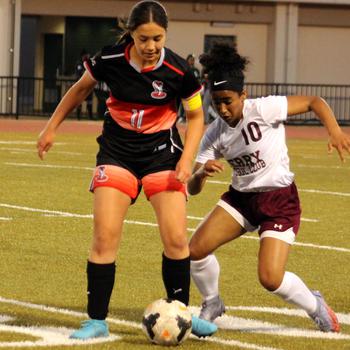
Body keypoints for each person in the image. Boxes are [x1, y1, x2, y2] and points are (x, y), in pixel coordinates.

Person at [37, 0, 217, 340]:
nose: (150, 47)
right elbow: (79, 90)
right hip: (116, 154)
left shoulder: (180, 72)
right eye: (143, 38)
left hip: (162, 157)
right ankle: (96, 321)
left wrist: (186, 159)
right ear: (130, 34)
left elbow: (196, 117)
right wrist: (51, 127)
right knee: (105, 238)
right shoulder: (110, 60)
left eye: (158, 39)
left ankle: (184, 315)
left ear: (166, 35)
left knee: (177, 239)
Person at [188, 42, 350, 333]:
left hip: (278, 201)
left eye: (228, 101)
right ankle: (212, 302)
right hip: (241, 200)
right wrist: (200, 175)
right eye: (216, 102)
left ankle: (315, 305)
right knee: (195, 250)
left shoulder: (263, 109)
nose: (223, 109)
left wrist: (335, 130)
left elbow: (314, 101)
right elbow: (193, 186)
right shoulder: (214, 133)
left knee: (270, 278)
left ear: (243, 96)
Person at [75, 50, 94, 120]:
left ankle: (91, 117)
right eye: (84, 55)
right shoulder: (79, 63)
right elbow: (79, 73)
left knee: (89, 101)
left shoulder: (89, 62)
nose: (86, 56)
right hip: (81, 85)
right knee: (79, 101)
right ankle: (78, 117)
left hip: (88, 85)